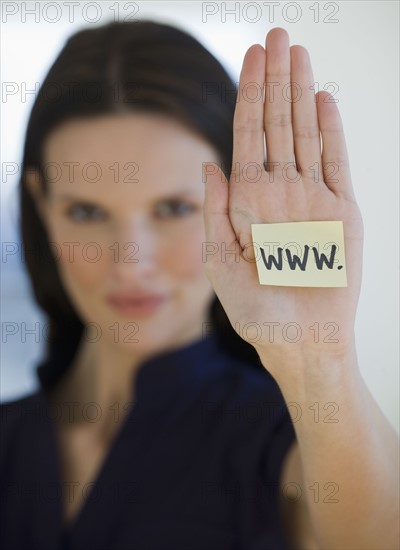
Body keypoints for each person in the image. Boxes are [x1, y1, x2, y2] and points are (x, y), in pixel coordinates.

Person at [0, 19, 398, 550]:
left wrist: (319, 361)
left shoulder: (283, 441)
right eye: (87, 211)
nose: (131, 262)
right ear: (42, 206)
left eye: (174, 208)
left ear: (236, 201)